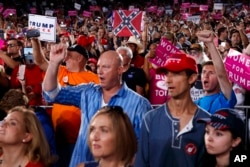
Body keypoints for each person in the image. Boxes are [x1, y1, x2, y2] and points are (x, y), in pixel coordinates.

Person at [42, 48, 152, 167]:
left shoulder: (139, 104)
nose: (100, 71)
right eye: (99, 67)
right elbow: (51, 94)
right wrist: (53, 63)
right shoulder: (87, 92)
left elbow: (144, 150)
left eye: (106, 67)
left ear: (120, 70)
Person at [31, 38, 99, 167]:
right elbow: (39, 61)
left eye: (69, 55)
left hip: (82, 140)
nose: (65, 58)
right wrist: (35, 41)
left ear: (79, 58)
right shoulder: (59, 71)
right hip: (58, 137)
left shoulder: (94, 79)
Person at [134, 53, 211, 167]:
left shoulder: (207, 122)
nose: (168, 80)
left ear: (192, 78)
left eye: (175, 74)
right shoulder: (150, 119)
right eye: (166, 74)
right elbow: (141, 163)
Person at [195, 30, 237, 114]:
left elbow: (221, 75)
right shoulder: (195, 104)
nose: (206, 76)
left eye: (211, 73)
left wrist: (210, 43)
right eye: (204, 72)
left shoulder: (225, 98)